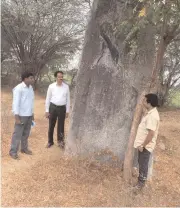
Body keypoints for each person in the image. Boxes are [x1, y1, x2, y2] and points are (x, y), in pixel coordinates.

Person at [134, 93, 160, 190]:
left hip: (145, 146)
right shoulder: (151, 113)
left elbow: (151, 134)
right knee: (141, 163)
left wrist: (142, 145)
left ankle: (140, 185)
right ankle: (140, 182)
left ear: (149, 103)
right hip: (143, 145)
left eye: (145, 100)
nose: (143, 102)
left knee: (143, 165)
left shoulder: (153, 116)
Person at [9, 72, 35, 159]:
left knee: (26, 133)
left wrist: (32, 113)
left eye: (32, 78)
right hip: (21, 115)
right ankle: (13, 152)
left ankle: (24, 149)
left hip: (29, 115)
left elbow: (30, 102)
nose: (32, 79)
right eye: (31, 78)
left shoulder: (30, 88)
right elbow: (15, 103)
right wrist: (16, 116)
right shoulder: (19, 88)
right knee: (17, 134)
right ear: (25, 78)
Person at [45, 71, 70, 149]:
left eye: (62, 76)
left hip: (62, 108)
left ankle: (61, 142)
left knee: (61, 126)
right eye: (59, 76)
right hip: (53, 108)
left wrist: (67, 111)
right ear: (56, 77)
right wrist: (46, 110)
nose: (61, 78)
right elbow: (48, 98)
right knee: (51, 125)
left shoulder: (66, 87)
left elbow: (68, 99)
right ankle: (50, 142)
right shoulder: (51, 86)